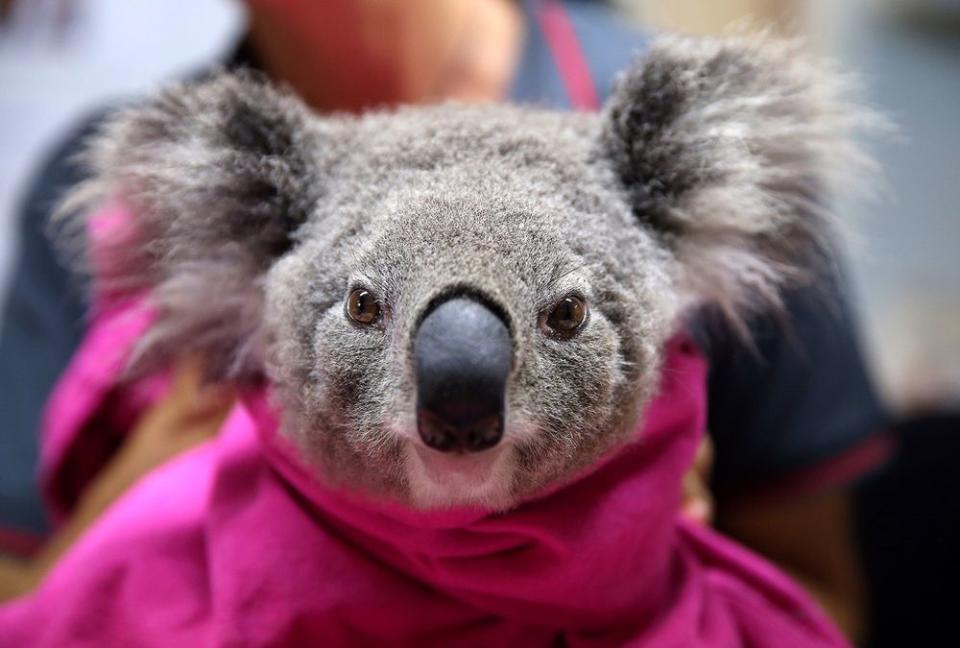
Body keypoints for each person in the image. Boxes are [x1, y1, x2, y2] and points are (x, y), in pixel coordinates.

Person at [0, 0, 889, 640]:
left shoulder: (673, 137)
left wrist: (631, 545)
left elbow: (818, 596)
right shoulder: (145, 191)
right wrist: (134, 507)